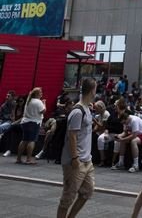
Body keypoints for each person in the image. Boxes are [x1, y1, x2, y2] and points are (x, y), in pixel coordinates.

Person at [56, 77, 97, 218]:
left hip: (87, 160)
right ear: (92, 91)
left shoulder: (87, 108)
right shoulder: (78, 111)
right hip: (75, 161)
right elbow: (71, 136)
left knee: (87, 191)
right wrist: (74, 158)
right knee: (67, 198)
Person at [17, 86, 46, 164]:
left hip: (25, 122)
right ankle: (28, 159)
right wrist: (44, 103)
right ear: (37, 94)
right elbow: (43, 111)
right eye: (40, 92)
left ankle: (18, 158)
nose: (41, 94)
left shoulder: (29, 100)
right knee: (31, 141)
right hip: (34, 123)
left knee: (24, 140)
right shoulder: (38, 101)